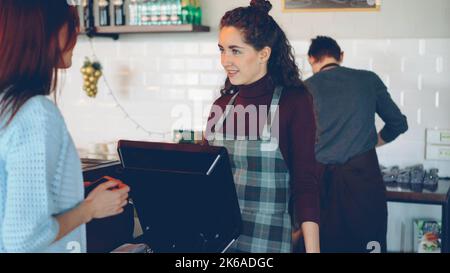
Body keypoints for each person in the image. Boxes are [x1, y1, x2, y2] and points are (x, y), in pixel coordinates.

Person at [0, 0, 130, 253]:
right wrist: (90, 208)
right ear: (44, 33)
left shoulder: (6, 104)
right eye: (69, 24)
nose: (76, 32)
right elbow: (24, 239)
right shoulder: (36, 114)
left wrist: (70, 191)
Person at [205, 0, 320, 253]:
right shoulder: (221, 105)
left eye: (235, 50)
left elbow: (306, 184)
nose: (225, 60)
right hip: (218, 242)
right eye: (222, 50)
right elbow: (204, 181)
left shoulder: (294, 102)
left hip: (266, 242)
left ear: (263, 54)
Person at [305, 36, 408, 253]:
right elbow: (398, 123)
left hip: (321, 184)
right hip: (364, 180)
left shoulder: (304, 89)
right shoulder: (368, 80)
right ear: (341, 56)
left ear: (311, 59)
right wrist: (372, 142)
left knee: (325, 245)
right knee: (368, 244)